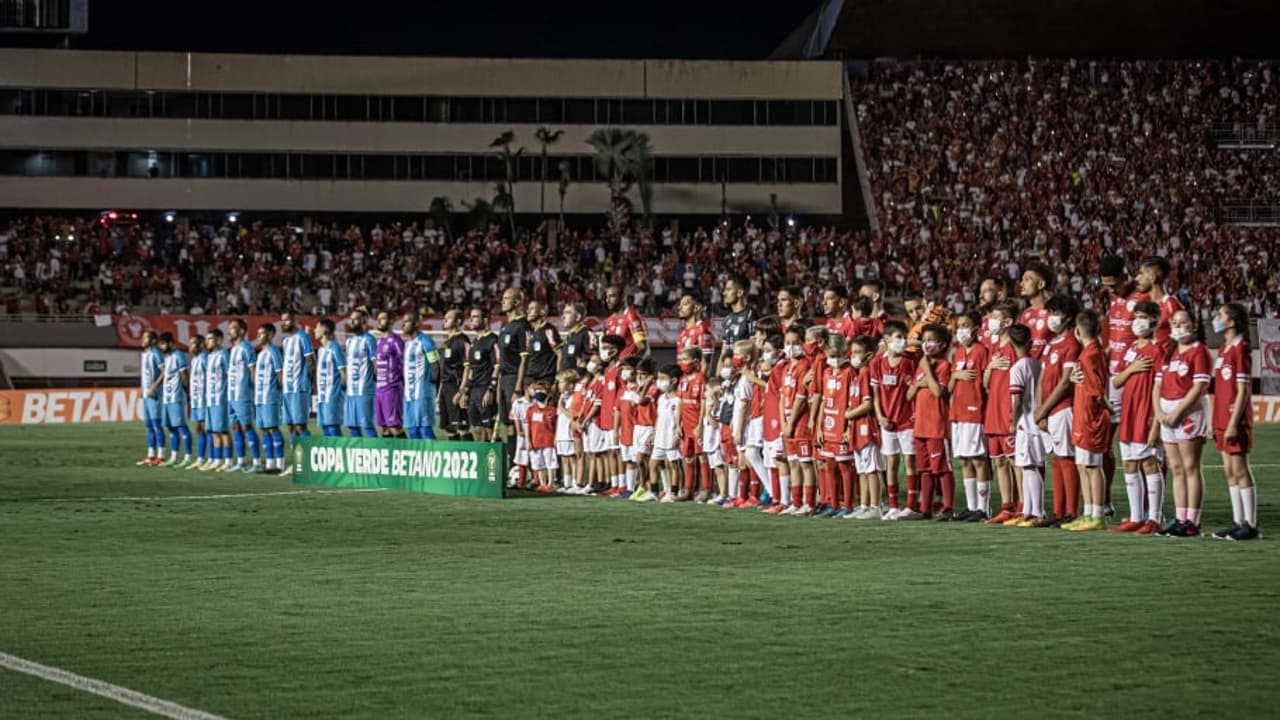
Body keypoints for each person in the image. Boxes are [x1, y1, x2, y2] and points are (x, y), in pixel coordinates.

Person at [1153, 309, 1211, 537]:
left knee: (1190, 467)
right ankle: (1180, 517)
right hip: (1167, 415)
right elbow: (1157, 385)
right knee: (1176, 468)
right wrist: (1158, 412)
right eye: (1174, 323)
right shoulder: (1170, 353)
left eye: (1183, 322)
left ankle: (1192, 521)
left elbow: (1198, 387)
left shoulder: (1199, 352)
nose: (1178, 327)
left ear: (1193, 325)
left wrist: (1178, 412)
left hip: (1187, 415)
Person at [1111, 301, 1164, 534]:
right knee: (1129, 464)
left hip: (1146, 412)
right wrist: (1131, 369)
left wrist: (1156, 420)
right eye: (1136, 317)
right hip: (1128, 412)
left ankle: (1154, 517)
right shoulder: (1131, 348)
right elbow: (1116, 380)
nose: (1137, 322)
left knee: (1149, 463)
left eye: (1142, 317)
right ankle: (1135, 516)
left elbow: (1161, 386)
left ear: (1154, 320)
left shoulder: (1158, 350)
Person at [1100, 254, 1146, 512]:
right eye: (1105, 285)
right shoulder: (1113, 298)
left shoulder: (1141, 299)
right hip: (1113, 377)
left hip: (1135, 378)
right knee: (1104, 441)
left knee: (1142, 444)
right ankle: (1104, 501)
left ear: (1124, 276)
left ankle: (1149, 507)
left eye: (1113, 284)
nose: (1110, 289)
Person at [1211, 303, 1259, 541]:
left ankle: (1250, 523)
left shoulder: (1241, 349)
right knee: (1229, 470)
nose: (1216, 319)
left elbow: (1242, 391)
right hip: (1221, 417)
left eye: (1220, 315)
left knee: (1240, 469)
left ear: (1231, 321)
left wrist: (1232, 423)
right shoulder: (1223, 348)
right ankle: (1238, 520)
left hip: (1234, 419)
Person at [1032, 295, 1082, 527]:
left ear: (1069, 317)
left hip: (1063, 408)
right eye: (1050, 313)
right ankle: (1059, 511)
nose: (1052, 318)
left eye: (1056, 313)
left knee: (1066, 458)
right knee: (1056, 459)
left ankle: (1071, 511)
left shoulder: (1072, 343)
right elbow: (1043, 378)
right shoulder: (1052, 344)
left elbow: (1065, 383)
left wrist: (1044, 408)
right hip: (1049, 410)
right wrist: (1039, 407)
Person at [1065, 310, 1112, 532]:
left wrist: (1104, 407)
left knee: (1092, 466)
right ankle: (1089, 512)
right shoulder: (1092, 353)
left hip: (1089, 417)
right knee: (1083, 465)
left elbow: (1097, 391)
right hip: (1083, 415)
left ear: (1076, 330)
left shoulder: (1090, 355)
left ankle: (1098, 514)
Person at [870, 320, 918, 519]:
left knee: (909, 461)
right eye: (899, 337)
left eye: (904, 337)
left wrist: (915, 413)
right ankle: (892, 505)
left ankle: (911, 505)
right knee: (891, 462)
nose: (903, 341)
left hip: (907, 420)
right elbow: (876, 394)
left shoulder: (909, 363)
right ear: (887, 339)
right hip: (887, 421)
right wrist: (880, 416)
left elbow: (913, 391)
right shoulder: (877, 363)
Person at [949, 311, 992, 521]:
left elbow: (987, 381)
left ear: (976, 328)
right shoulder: (957, 353)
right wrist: (955, 375)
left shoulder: (981, 351)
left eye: (966, 325)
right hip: (957, 412)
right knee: (965, 460)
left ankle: (983, 508)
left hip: (974, 410)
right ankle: (971, 505)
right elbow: (949, 384)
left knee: (978, 460)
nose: (961, 330)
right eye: (959, 326)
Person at [909, 324, 954, 520]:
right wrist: (920, 382)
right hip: (921, 425)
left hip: (937, 425)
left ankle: (947, 507)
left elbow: (938, 392)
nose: (927, 344)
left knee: (942, 468)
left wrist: (927, 370)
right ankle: (925, 507)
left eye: (931, 340)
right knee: (924, 469)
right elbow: (909, 394)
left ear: (942, 344)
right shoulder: (920, 368)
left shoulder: (943, 366)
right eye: (924, 340)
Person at [983, 301, 1021, 524]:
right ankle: (1006, 506)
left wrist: (1014, 415)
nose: (991, 322)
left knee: (1014, 461)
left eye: (996, 317)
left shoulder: (1013, 350)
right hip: (993, 412)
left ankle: (1022, 506)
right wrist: (990, 366)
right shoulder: (995, 350)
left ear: (1007, 322)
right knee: (999, 462)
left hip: (1007, 412)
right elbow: (986, 383)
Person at [1006, 325, 1046, 526]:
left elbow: (1018, 399)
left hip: (1026, 422)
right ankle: (1029, 510)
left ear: (1011, 343)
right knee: (1029, 466)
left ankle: (1037, 512)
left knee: (1030, 467)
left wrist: (1013, 421)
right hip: (1038, 421)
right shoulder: (1037, 364)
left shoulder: (1017, 368)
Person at [816, 333, 860, 518]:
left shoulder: (849, 372)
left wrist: (849, 427)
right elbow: (824, 401)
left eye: (836, 355)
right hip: (827, 424)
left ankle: (848, 504)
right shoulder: (826, 372)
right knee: (830, 466)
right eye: (830, 355)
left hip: (842, 425)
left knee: (845, 467)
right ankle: (833, 505)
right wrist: (819, 426)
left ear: (844, 351)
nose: (833, 359)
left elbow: (852, 401)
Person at [779, 323, 815, 515]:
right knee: (793, 462)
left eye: (795, 342)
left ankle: (809, 503)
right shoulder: (786, 368)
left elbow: (801, 399)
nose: (791, 346)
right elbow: (782, 397)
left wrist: (791, 422)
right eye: (787, 343)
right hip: (787, 422)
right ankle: (796, 502)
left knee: (805, 463)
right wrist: (784, 423)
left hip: (800, 422)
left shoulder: (804, 366)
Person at [459, 306, 500, 442]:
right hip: (473, 391)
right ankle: (483, 460)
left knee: (489, 430)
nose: (472, 320)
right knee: (477, 428)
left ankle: (496, 461)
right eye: (471, 317)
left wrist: (491, 389)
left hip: (485, 389)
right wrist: (465, 391)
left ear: (485, 320)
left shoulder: (493, 340)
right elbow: (471, 369)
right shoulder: (474, 343)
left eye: (475, 317)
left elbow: (497, 366)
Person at [227, 318, 262, 472]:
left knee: (247, 427)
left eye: (233, 328)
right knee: (235, 427)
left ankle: (257, 462)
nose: (229, 331)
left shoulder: (247, 348)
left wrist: (256, 392)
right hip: (232, 395)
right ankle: (240, 462)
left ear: (241, 331)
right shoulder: (233, 349)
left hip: (243, 395)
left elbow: (253, 371)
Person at [280, 311, 315, 460]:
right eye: (282, 320)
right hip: (287, 389)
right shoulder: (287, 341)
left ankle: (309, 461)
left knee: (301, 426)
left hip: (299, 388)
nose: (284, 323)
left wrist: (310, 382)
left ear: (295, 320)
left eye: (287, 320)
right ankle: (297, 461)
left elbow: (311, 362)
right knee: (290, 426)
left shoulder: (303, 337)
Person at [401, 308, 440, 441]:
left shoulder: (426, 341)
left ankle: (434, 459)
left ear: (416, 324)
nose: (403, 325)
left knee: (425, 430)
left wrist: (432, 387)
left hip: (423, 394)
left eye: (407, 322)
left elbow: (435, 365)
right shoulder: (407, 344)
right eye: (403, 322)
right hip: (409, 395)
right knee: (412, 431)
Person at [676, 346, 708, 501]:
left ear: (695, 362)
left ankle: (706, 489)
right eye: (681, 359)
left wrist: (701, 424)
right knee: (687, 457)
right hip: (685, 425)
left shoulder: (701, 378)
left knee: (701, 456)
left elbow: (703, 403)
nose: (682, 363)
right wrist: (678, 424)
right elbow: (680, 403)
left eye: (685, 359)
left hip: (697, 424)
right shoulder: (682, 379)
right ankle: (688, 489)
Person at [253, 323, 285, 474]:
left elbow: (280, 374)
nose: (258, 336)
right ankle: (270, 464)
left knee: (273, 428)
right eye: (258, 333)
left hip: (270, 396)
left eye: (262, 333)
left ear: (271, 335)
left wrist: (282, 392)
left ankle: (280, 464)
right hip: (259, 397)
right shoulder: (260, 354)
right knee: (264, 430)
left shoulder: (274, 352)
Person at [158, 332, 193, 467]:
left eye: (163, 344)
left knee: (181, 427)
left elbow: (185, 375)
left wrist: (187, 392)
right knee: (170, 427)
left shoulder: (179, 355)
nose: (161, 347)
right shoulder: (167, 357)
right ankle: (173, 457)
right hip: (166, 398)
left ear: (171, 343)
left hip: (176, 397)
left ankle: (188, 457)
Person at [1135, 256, 1183, 351]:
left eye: (1141, 273)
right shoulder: (1141, 302)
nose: (1136, 278)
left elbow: (1181, 341)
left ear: (1152, 278)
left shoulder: (1171, 305)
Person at [343, 309, 378, 439]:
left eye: (355, 319)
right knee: (352, 426)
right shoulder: (349, 341)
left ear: (364, 321)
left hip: (365, 390)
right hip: (351, 391)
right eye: (351, 319)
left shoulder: (369, 339)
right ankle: (359, 457)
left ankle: (375, 456)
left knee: (367, 426)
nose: (352, 322)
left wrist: (376, 382)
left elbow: (376, 364)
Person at [652, 364, 684, 501]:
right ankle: (654, 492)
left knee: (673, 465)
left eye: (663, 378)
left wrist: (677, 434)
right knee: (653, 463)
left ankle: (674, 492)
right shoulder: (661, 398)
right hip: (659, 437)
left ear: (674, 380)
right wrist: (653, 433)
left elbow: (680, 419)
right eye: (659, 378)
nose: (660, 381)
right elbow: (659, 417)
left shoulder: (678, 400)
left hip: (670, 437)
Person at [438, 309, 470, 441]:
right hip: (445, 387)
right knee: (449, 429)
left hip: (455, 387)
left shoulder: (462, 340)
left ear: (458, 322)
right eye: (444, 318)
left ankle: (471, 456)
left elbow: (468, 367)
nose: (445, 320)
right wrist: (440, 393)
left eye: (449, 318)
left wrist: (462, 391)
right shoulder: (446, 343)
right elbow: (444, 370)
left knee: (462, 428)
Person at [202, 329, 231, 471]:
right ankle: (217, 460)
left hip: (221, 399)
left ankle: (228, 461)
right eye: (207, 339)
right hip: (210, 399)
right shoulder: (209, 356)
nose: (207, 342)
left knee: (223, 431)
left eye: (211, 339)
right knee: (213, 431)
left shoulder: (224, 354)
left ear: (219, 340)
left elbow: (229, 375)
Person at [374, 310, 406, 438]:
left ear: (391, 321)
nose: (379, 321)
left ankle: (406, 453)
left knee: (395, 427)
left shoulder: (395, 340)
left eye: (382, 318)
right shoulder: (379, 341)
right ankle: (390, 457)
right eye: (378, 319)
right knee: (384, 429)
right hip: (379, 388)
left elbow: (404, 361)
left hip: (391, 388)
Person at [524, 380, 558, 493]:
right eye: (537, 390)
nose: (539, 393)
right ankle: (542, 483)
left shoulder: (552, 410)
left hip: (548, 441)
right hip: (535, 441)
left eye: (541, 390)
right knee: (538, 463)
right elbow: (527, 426)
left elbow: (556, 426)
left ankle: (550, 483)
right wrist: (528, 441)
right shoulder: (530, 410)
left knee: (550, 463)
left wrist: (556, 438)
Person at [137, 330, 165, 466]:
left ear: (153, 340)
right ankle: (150, 456)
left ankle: (161, 456)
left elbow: (164, 372)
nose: (142, 340)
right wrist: (142, 389)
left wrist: (153, 387)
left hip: (154, 395)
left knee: (156, 425)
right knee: (148, 425)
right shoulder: (145, 355)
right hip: (146, 395)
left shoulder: (155, 353)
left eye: (145, 337)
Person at [315, 318, 346, 437]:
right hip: (322, 395)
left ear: (325, 329)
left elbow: (343, 372)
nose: (315, 330)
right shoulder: (321, 350)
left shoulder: (335, 348)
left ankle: (340, 453)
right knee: (325, 428)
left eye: (317, 327)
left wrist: (339, 392)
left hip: (332, 395)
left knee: (333, 427)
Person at [1018, 261, 1055, 358]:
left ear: (1041, 284)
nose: (1021, 284)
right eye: (1022, 280)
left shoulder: (1054, 311)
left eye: (1027, 279)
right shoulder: (1025, 314)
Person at [604, 284, 648, 360]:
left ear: (623, 297)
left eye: (612, 296)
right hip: (612, 367)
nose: (607, 300)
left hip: (625, 367)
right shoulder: (609, 320)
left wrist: (630, 365)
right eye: (606, 297)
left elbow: (642, 347)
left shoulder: (631, 316)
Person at [554, 370, 581, 492]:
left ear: (570, 384)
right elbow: (559, 415)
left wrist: (562, 407)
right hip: (561, 432)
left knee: (572, 458)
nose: (559, 385)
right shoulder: (562, 397)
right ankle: (567, 483)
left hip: (569, 432)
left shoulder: (574, 397)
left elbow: (571, 414)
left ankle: (575, 483)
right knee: (564, 459)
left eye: (561, 382)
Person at [523, 300, 561, 388]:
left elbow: (560, 353)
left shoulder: (548, 330)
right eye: (528, 309)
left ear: (541, 312)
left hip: (544, 380)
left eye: (532, 308)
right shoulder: (530, 332)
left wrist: (557, 379)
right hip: (530, 380)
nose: (528, 311)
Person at [720, 275, 756, 359]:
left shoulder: (750, 315)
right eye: (725, 290)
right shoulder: (727, 319)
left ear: (740, 292)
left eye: (728, 289)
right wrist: (718, 372)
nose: (724, 293)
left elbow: (754, 347)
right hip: (728, 368)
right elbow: (723, 353)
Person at [187, 334, 208, 469]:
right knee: (199, 429)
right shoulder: (194, 360)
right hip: (196, 399)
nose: (190, 347)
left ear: (201, 345)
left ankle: (214, 458)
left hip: (205, 399)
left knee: (208, 429)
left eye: (193, 343)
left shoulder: (205, 358)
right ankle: (200, 459)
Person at [557, 302, 595, 373]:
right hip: (566, 380)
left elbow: (594, 358)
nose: (563, 316)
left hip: (578, 381)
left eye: (568, 312)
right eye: (563, 313)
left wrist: (580, 375)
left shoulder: (587, 333)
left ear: (578, 317)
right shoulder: (570, 335)